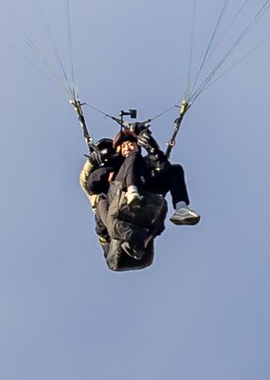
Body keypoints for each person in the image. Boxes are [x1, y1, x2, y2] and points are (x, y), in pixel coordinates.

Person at [78, 116, 198, 272]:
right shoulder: (112, 170)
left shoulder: (144, 166)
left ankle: (181, 208)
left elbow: (163, 168)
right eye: (124, 146)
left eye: (132, 144)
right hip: (117, 215)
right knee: (104, 196)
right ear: (118, 150)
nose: (129, 147)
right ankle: (131, 192)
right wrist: (102, 161)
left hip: (144, 206)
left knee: (175, 170)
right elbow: (90, 184)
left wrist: (151, 147)